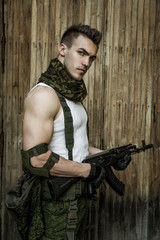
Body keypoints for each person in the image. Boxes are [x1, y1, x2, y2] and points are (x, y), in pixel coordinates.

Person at [22, 24, 104, 240]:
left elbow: (76, 146)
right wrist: (86, 171)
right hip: (53, 204)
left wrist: (107, 156)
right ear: (62, 49)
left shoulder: (72, 95)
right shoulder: (44, 96)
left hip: (76, 198)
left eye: (92, 58)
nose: (86, 63)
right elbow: (36, 159)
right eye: (81, 53)